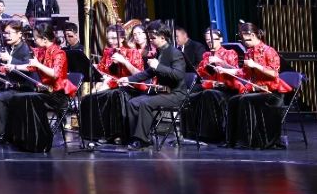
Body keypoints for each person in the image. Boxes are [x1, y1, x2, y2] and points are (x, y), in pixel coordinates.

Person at [3, 23, 76, 152]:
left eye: (36, 38)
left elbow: (55, 73)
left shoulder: (59, 53)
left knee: (30, 99)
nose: (34, 40)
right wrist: (15, 67)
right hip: (46, 92)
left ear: (44, 39)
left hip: (57, 95)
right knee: (18, 98)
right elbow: (31, 67)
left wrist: (38, 65)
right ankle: (20, 139)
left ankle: (40, 141)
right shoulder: (42, 51)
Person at [121, 21, 189, 149]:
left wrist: (158, 66)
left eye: (153, 38)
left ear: (162, 37)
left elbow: (178, 75)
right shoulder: (160, 52)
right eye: (150, 38)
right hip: (163, 93)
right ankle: (135, 137)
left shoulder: (175, 53)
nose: (151, 41)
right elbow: (148, 73)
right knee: (132, 103)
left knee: (145, 103)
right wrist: (128, 79)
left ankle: (143, 140)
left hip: (176, 94)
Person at [224, 25, 292, 149]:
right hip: (257, 90)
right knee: (233, 100)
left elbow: (274, 73)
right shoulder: (249, 52)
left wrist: (256, 65)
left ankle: (247, 141)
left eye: (245, 39)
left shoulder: (268, 51)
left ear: (253, 35)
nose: (244, 42)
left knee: (245, 99)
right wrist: (225, 69)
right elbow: (244, 73)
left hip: (272, 93)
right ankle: (232, 141)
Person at [79, 24, 143, 143]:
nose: (111, 41)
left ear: (122, 38)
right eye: (109, 38)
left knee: (114, 95)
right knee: (88, 98)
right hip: (112, 86)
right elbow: (102, 71)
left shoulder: (133, 52)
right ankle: (99, 134)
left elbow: (139, 74)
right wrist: (96, 69)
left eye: (114, 38)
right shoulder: (108, 52)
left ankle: (117, 134)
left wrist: (124, 62)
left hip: (130, 88)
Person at [181, 28, 239, 144]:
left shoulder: (230, 53)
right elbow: (200, 75)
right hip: (211, 87)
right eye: (207, 40)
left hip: (226, 89)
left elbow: (236, 71)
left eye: (212, 40)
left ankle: (210, 135)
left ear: (220, 39)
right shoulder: (206, 55)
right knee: (188, 95)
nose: (210, 43)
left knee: (208, 94)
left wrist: (221, 62)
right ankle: (191, 133)